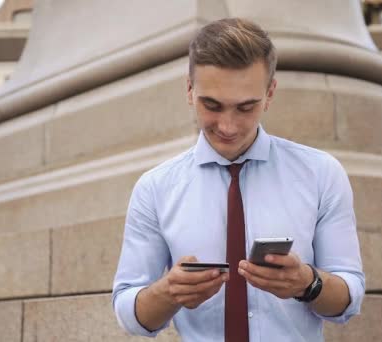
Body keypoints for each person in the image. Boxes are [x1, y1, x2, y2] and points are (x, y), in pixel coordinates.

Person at [112, 18, 365, 342]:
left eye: (246, 107)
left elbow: (350, 296)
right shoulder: (155, 189)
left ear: (270, 93)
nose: (228, 126)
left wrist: (308, 283)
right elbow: (128, 314)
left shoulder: (321, 174)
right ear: (189, 90)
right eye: (211, 105)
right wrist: (168, 292)